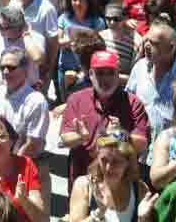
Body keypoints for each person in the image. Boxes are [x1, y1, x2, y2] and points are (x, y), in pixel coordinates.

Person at [126, 22, 176, 173]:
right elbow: (127, 103)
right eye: (147, 41)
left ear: (171, 47)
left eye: (154, 43)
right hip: (139, 156)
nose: (147, 46)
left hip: (172, 162)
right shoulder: (139, 68)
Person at [61, 50, 150, 183]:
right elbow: (65, 139)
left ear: (118, 74)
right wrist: (82, 137)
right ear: (90, 74)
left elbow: (142, 144)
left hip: (120, 181)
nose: (106, 79)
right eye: (100, 73)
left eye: (110, 73)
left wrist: (122, 135)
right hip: (83, 178)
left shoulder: (133, 103)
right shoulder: (76, 99)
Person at [0, 48, 50, 219]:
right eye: (2, 67)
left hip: (28, 170)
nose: (5, 72)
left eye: (11, 67)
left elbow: (32, 144)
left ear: (25, 70)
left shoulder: (36, 101)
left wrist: (10, 170)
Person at [69, 133, 152, 222]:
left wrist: (143, 219)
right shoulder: (83, 185)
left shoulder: (139, 189)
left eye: (116, 162)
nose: (108, 167)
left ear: (128, 162)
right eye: (104, 160)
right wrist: (98, 214)